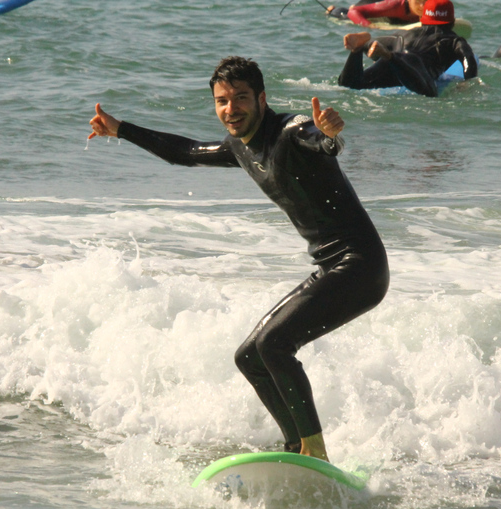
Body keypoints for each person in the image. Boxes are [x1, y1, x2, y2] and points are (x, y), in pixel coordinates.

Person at [89, 56, 389, 461]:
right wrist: (121, 130)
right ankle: (297, 447)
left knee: (275, 345)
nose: (231, 109)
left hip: (360, 265)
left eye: (241, 98)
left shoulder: (291, 130)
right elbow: (185, 151)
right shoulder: (240, 147)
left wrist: (330, 134)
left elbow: (320, 140)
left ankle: (314, 452)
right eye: (222, 101)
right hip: (334, 267)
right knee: (250, 357)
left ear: (261, 99)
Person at [338, 0, 477, 97]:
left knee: (351, 85)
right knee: (430, 93)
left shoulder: (403, 33)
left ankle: (356, 51)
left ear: (422, 19)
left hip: (391, 62)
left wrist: (363, 46)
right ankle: (390, 57)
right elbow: (469, 62)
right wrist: (466, 83)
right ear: (452, 22)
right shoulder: (454, 41)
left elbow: (373, 48)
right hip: (414, 68)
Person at [327, 0, 424, 27]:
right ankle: (332, 10)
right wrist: (371, 26)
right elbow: (354, 12)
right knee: (341, 14)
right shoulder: (397, 5)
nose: (422, 6)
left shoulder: (434, 6)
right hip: (360, 12)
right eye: (419, 1)